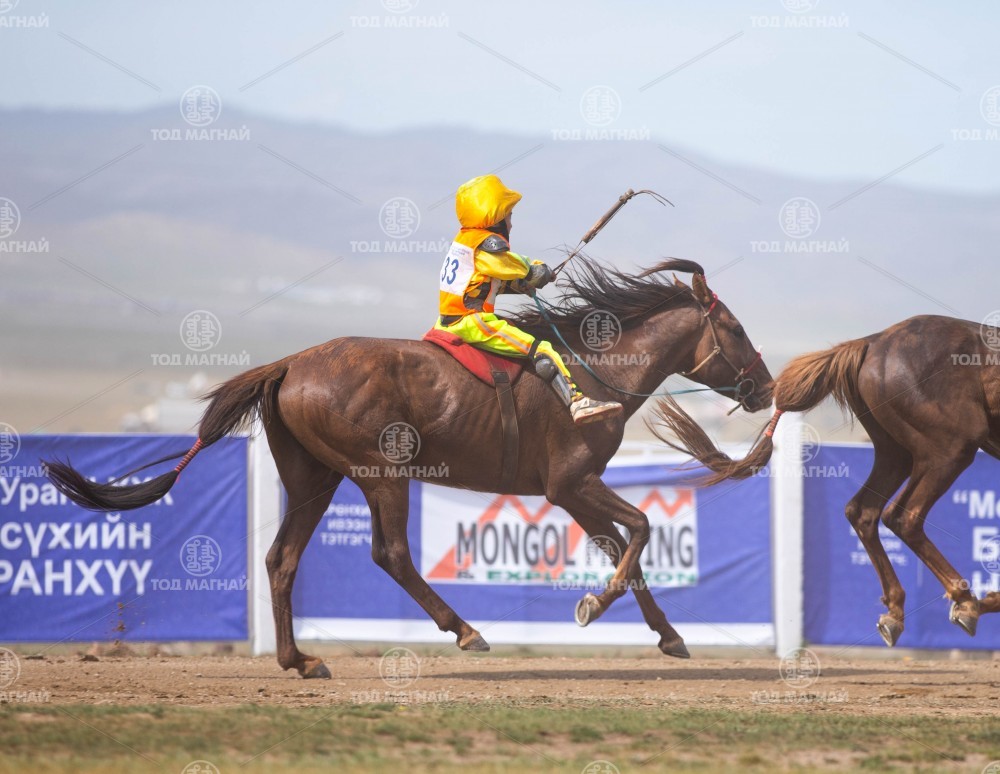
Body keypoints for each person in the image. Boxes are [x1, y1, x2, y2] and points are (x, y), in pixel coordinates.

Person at [434, 174, 623, 424]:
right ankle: (577, 402)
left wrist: (524, 285)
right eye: (509, 217)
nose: (511, 225)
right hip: (471, 323)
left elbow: (486, 285)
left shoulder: (463, 241)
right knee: (542, 349)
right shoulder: (486, 245)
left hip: (443, 324)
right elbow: (513, 266)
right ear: (496, 217)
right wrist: (538, 271)